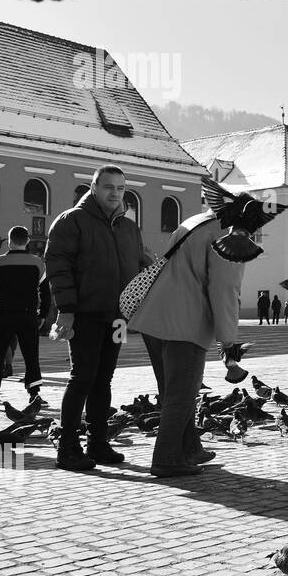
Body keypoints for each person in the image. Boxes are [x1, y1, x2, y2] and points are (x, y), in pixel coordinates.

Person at [128, 209, 244, 478]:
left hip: (155, 315)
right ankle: (166, 459)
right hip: (186, 322)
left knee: (172, 391)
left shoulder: (195, 222)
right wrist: (229, 344)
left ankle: (190, 447)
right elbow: (225, 290)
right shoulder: (231, 237)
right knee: (181, 395)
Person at [45, 165, 145, 471]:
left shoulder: (129, 228)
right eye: (108, 187)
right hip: (85, 314)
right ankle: (68, 448)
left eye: (120, 188)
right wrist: (67, 309)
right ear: (94, 187)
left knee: (105, 379)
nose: (115, 193)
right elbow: (57, 266)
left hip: (118, 318)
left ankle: (99, 443)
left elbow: (137, 267)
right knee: (82, 377)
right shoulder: (72, 221)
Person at [0, 226, 51, 412]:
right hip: (28, 316)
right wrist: (42, 315)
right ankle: (34, 394)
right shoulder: (38, 263)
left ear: (9, 241)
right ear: (27, 241)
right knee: (31, 355)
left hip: (4, 316)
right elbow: (46, 292)